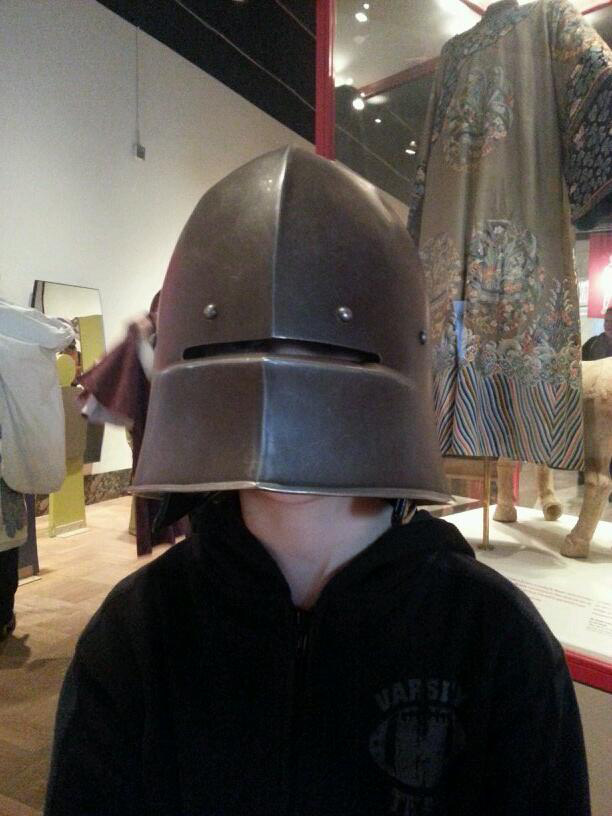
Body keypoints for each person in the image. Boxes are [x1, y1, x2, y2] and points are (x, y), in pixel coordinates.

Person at [45, 148, 590, 816]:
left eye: (324, 349)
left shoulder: (495, 643)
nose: (281, 376)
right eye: (246, 347)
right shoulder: (136, 635)